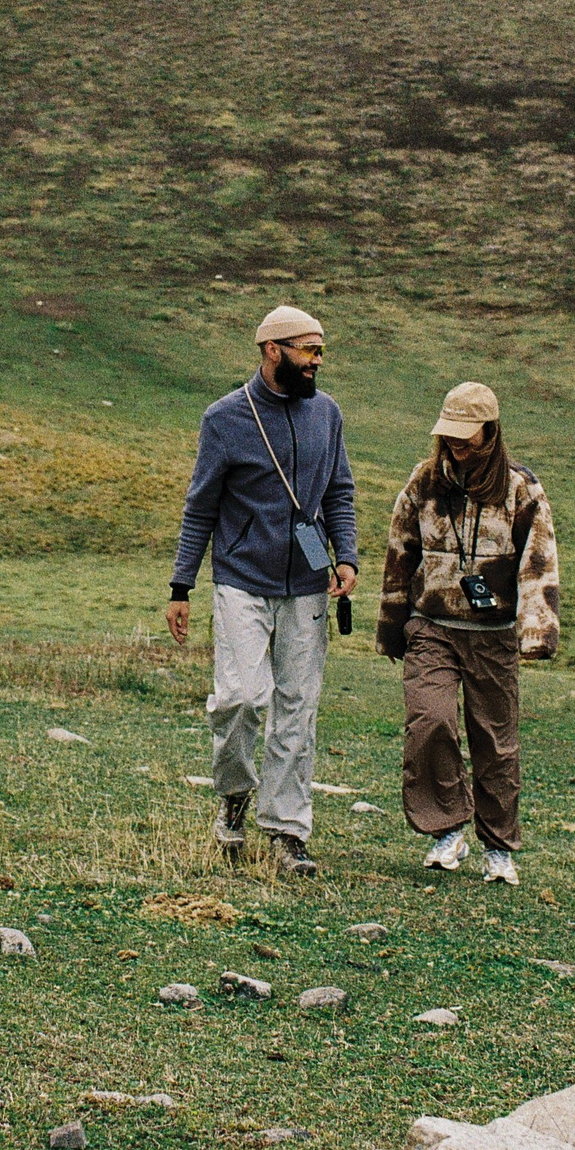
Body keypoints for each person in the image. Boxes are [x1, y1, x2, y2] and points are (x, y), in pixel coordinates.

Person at [168, 306, 358, 877]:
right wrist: (182, 585)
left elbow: (340, 492)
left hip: (307, 584)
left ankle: (286, 832)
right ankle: (233, 794)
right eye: (308, 350)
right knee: (242, 699)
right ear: (273, 350)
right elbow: (200, 505)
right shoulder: (224, 417)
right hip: (239, 579)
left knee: (297, 708)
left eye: (321, 351)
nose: (317, 361)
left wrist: (345, 555)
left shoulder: (327, 414)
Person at [376, 381, 558, 885]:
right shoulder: (423, 481)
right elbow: (400, 551)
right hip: (432, 626)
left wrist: (537, 631)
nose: (457, 443)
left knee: (495, 743)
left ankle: (498, 848)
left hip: (493, 634)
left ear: (490, 431)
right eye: (449, 433)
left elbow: (539, 561)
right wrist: (393, 626)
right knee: (429, 721)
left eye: (467, 435)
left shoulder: (522, 488)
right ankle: (447, 826)